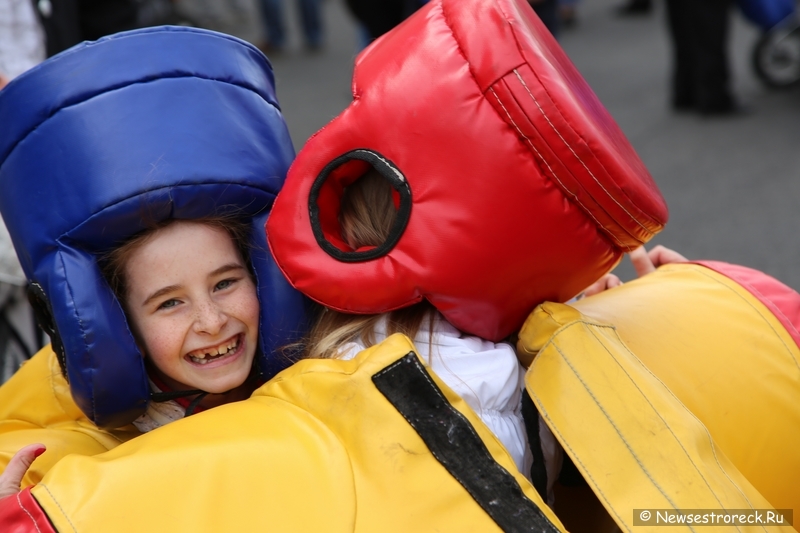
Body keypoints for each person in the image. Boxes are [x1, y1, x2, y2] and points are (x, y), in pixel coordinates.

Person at [0, 25, 306, 491]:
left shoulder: (336, 364)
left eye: (225, 283)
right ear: (118, 325)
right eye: (169, 303)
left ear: (263, 273)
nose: (210, 320)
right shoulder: (66, 448)